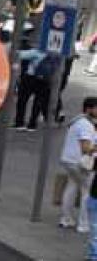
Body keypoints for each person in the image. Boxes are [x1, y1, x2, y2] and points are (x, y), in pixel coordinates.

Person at [55, 96, 96, 232]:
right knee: (87, 191)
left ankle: (66, 219)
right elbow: (86, 148)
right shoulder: (86, 125)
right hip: (80, 163)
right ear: (89, 109)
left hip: (68, 160)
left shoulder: (77, 121)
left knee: (72, 186)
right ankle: (84, 224)